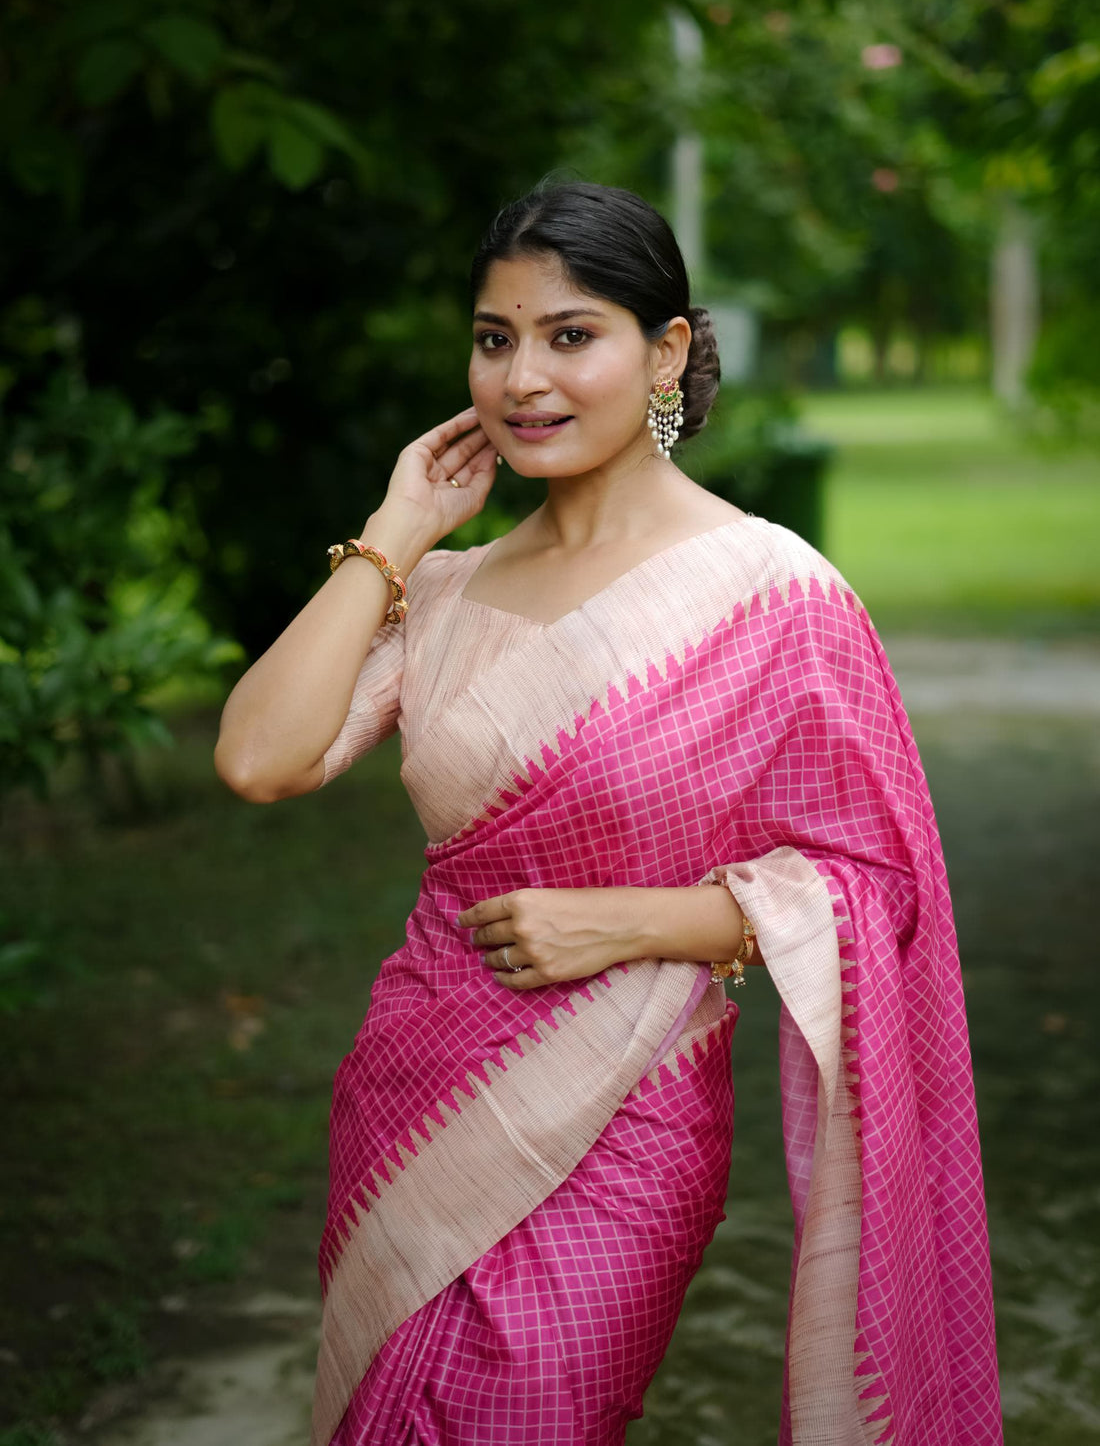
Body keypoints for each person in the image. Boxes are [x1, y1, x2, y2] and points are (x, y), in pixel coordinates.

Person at [214, 182, 1002, 1446]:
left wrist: (631, 923)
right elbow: (259, 757)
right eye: (493, 338)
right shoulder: (451, 591)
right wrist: (395, 534)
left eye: (570, 334)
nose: (522, 377)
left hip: (624, 1118)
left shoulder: (769, 593)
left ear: (667, 351)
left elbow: (880, 884)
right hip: (415, 1096)